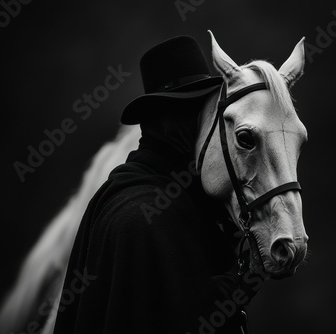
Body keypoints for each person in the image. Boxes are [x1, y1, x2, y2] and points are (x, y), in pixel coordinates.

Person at [53, 36, 261, 334]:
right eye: (196, 109)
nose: (207, 121)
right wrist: (246, 276)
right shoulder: (144, 215)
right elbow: (186, 319)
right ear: (167, 119)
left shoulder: (155, 195)